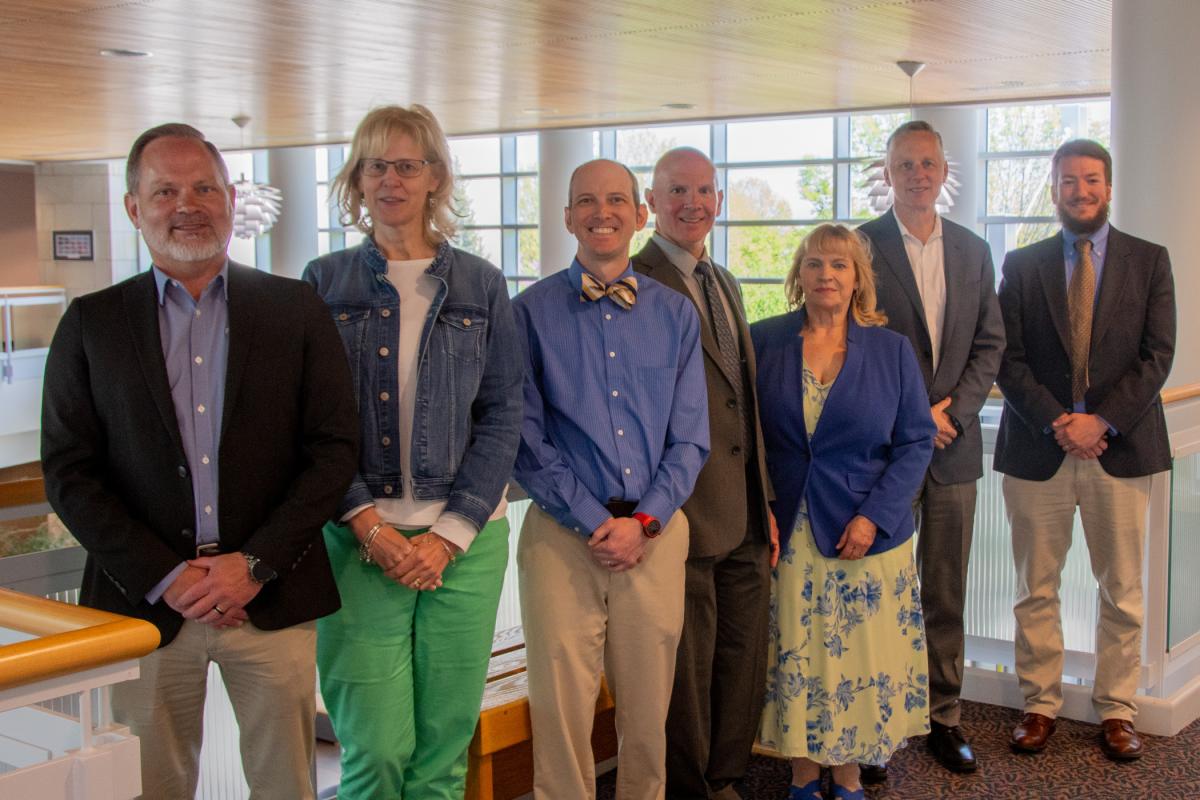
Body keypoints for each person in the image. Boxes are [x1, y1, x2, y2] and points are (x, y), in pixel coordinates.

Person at [40, 123, 359, 799]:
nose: (187, 204)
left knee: (286, 787)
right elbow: (69, 471)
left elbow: (333, 451)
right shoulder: (91, 323)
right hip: (145, 609)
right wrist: (163, 575)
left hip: (268, 599)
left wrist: (253, 565)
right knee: (152, 787)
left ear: (231, 198)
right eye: (164, 191)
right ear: (134, 207)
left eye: (204, 187)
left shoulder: (294, 309)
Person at [301, 105, 524, 799]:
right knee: (374, 751)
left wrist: (449, 536)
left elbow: (502, 414)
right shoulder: (322, 282)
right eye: (376, 165)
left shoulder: (481, 284)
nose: (391, 179)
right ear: (357, 181)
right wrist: (368, 524)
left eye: (407, 164)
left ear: (435, 177)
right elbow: (310, 422)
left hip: (466, 545)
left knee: (442, 752)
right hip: (357, 541)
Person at [513, 158, 709, 800]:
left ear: (639, 213)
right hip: (561, 538)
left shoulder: (677, 314)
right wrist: (598, 522)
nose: (603, 212)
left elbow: (691, 440)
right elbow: (526, 437)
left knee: (648, 719)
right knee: (560, 714)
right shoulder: (529, 313)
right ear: (567, 216)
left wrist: (643, 522)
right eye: (587, 201)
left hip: (654, 537)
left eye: (617, 200)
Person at [995, 139, 1175, 761]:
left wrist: (1101, 422)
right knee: (1034, 588)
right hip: (1037, 451)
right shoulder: (1022, 265)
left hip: (1119, 452)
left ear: (1108, 185)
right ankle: (1039, 704)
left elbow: (1158, 356)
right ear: (1055, 190)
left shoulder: (1150, 261)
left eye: (1091, 179)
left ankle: (1117, 709)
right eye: (1068, 181)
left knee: (1122, 590)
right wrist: (1058, 423)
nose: (1080, 191)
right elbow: (1008, 359)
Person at [754, 224, 935, 800]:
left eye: (839, 264)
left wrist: (874, 515)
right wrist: (764, 508)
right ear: (798, 275)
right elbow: (746, 437)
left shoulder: (891, 350)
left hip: (865, 532)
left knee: (858, 658)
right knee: (797, 652)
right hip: (791, 529)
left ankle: (851, 775)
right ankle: (804, 774)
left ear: (858, 278)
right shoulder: (765, 341)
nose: (825, 275)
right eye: (814, 263)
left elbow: (915, 441)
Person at [857, 120, 1004, 777]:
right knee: (881, 589)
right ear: (886, 174)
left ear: (945, 173)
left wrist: (953, 411)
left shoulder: (974, 251)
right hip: (886, 450)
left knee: (943, 590)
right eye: (904, 164)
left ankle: (945, 719)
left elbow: (990, 345)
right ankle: (875, 727)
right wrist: (918, 414)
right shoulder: (860, 247)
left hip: (953, 449)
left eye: (927, 164)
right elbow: (856, 342)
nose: (917, 174)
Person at [632, 146, 777, 800]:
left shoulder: (725, 281)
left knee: (741, 658)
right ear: (652, 203)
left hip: (746, 509)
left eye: (705, 191)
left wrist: (765, 501)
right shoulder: (636, 281)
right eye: (678, 191)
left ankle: (726, 778)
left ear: (719, 200)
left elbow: (740, 400)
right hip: (682, 509)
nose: (693, 203)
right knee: (687, 670)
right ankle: (692, 789)